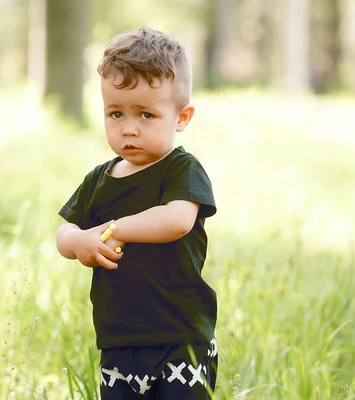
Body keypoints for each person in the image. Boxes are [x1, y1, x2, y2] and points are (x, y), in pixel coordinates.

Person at [56, 27, 218, 399]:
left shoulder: (181, 170)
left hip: (179, 337)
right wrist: (78, 241)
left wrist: (115, 229)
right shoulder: (100, 178)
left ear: (181, 117)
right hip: (119, 337)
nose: (129, 129)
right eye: (116, 113)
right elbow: (65, 232)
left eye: (146, 115)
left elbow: (177, 220)